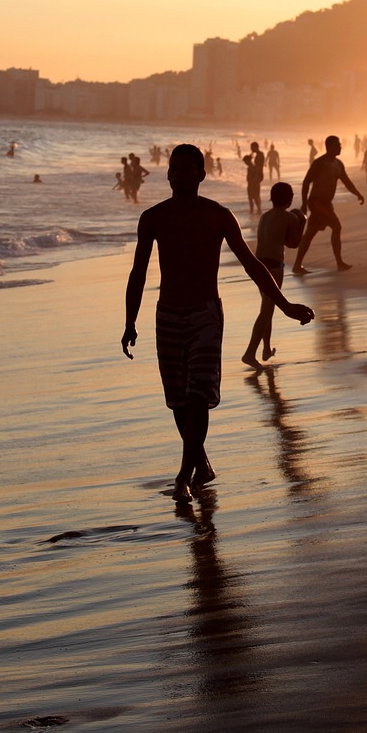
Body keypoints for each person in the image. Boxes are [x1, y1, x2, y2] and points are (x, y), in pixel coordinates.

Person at [123, 145, 313, 498]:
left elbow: (253, 264)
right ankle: (201, 463)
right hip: (167, 315)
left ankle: (183, 475)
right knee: (178, 400)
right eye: (173, 168)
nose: (178, 174)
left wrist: (285, 305)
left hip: (206, 315)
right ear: (168, 174)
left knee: (198, 395)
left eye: (186, 168)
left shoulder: (218, 216)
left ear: (202, 174)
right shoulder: (153, 218)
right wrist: (129, 322)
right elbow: (138, 273)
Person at [243, 182, 305, 367]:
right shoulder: (289, 218)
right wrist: (302, 222)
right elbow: (293, 243)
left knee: (267, 306)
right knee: (267, 310)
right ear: (289, 198)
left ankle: (266, 349)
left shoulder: (265, 216)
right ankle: (249, 353)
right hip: (274, 266)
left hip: (258, 264)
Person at [292, 135, 365, 274]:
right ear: (329, 146)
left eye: (340, 145)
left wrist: (357, 194)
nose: (340, 147)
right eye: (337, 145)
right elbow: (306, 182)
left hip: (326, 203)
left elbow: (346, 181)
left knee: (310, 233)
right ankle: (339, 263)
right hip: (316, 202)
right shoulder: (319, 163)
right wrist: (303, 203)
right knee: (336, 226)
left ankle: (297, 265)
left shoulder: (338, 164)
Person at [242, 141, 266, 215]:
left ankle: (259, 210)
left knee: (255, 193)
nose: (251, 149)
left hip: (257, 175)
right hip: (256, 175)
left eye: (252, 147)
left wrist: (255, 177)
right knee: (254, 193)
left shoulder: (260, 155)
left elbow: (259, 167)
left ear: (256, 147)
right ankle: (256, 210)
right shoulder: (257, 154)